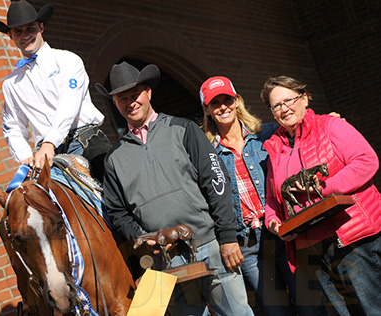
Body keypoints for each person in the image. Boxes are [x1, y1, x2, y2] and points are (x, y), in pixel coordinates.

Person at [97, 62, 254, 316]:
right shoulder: (114, 158)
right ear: (115, 104)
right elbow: (116, 212)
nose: (130, 102)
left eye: (134, 95)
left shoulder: (184, 129)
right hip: (166, 260)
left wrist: (226, 237)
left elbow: (217, 183)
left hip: (211, 245)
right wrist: (142, 236)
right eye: (122, 98)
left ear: (148, 93)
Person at [260, 75, 381, 316]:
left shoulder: (331, 126)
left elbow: (367, 162)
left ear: (304, 98)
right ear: (272, 113)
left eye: (289, 100)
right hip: (311, 250)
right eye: (277, 105)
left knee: (372, 309)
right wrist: (274, 222)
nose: (284, 109)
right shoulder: (274, 149)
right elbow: (274, 199)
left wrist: (324, 187)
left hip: (351, 238)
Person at [200, 76, 297, 316]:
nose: (223, 107)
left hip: (284, 231)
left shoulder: (266, 134)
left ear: (237, 101)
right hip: (249, 245)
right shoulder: (207, 153)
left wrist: (331, 121)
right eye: (215, 103)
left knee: (310, 304)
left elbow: (302, 130)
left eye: (227, 100)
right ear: (207, 110)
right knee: (277, 311)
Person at [0, 0, 111, 180]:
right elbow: (13, 127)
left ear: (41, 27)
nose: (25, 36)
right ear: (10, 36)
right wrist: (24, 157)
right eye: (18, 31)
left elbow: (68, 105)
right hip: (45, 156)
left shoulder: (68, 61)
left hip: (84, 140)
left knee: (115, 179)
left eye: (30, 29)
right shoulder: (11, 84)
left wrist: (49, 142)